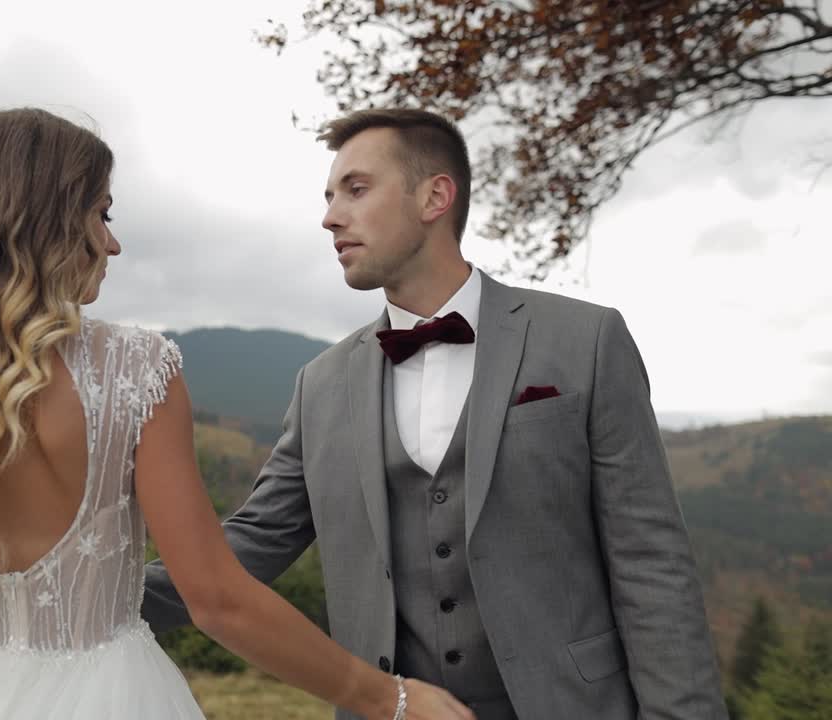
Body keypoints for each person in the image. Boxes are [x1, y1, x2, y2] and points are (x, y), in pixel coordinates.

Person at [0, 108, 419, 720]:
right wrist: (387, 698)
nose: (112, 242)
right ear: (50, 220)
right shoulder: (137, 370)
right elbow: (218, 600)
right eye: (102, 213)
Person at [143, 108, 729, 719]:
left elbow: (652, 564)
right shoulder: (320, 385)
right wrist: (87, 594)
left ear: (435, 197)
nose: (330, 217)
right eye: (328, 196)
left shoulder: (586, 340)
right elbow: (253, 542)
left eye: (357, 189)